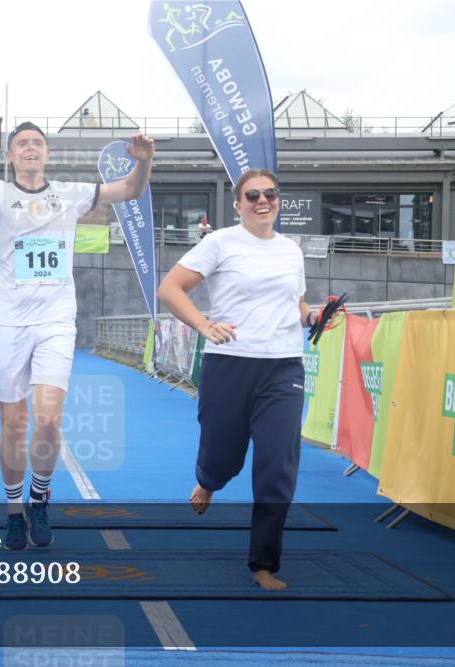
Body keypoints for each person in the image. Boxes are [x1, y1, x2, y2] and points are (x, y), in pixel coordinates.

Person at [0, 93, 155, 550]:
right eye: (23, 144)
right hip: (6, 324)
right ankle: (14, 509)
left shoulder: (70, 194)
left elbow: (131, 191)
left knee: (49, 420)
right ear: (10, 155)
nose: (31, 149)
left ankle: (40, 499)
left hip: (56, 321)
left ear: (48, 153)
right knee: (14, 426)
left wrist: (144, 162)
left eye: (38, 142)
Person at [156, 169, 316, 591]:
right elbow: (170, 289)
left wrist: (312, 316)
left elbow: (296, 302)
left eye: (270, 194)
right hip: (229, 365)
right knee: (223, 456)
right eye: (253, 196)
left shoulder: (291, 249)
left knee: (277, 465)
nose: (263, 201)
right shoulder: (220, 242)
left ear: (278, 200)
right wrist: (204, 325)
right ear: (238, 203)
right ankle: (209, 480)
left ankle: (264, 564)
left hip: (283, 367)